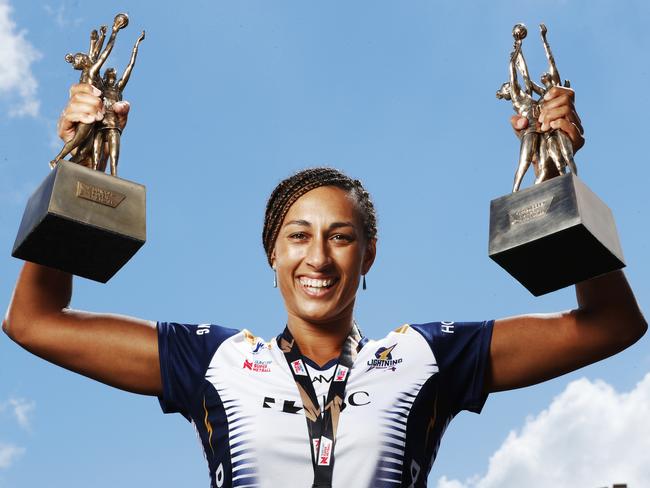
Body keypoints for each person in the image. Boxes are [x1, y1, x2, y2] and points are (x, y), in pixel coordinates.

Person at [3, 83, 646, 488]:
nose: (319, 256)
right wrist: (79, 165)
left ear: (368, 255)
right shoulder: (214, 361)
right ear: (273, 255)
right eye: (298, 236)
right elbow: (35, 320)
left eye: (340, 236)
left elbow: (612, 324)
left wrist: (559, 179)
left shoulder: (426, 357)